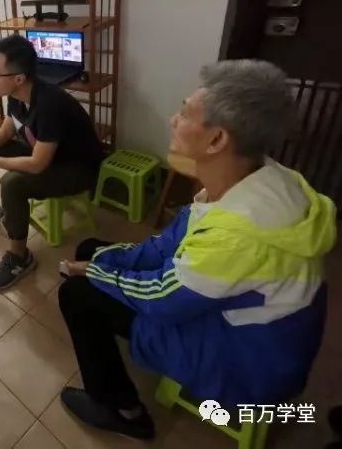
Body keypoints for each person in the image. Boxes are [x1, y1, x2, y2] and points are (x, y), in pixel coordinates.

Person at [57, 60, 335, 440]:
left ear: (216, 140)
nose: (173, 119)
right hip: (250, 321)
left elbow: (162, 299)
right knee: (93, 249)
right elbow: (168, 244)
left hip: (249, 360)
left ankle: (123, 410)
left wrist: (93, 272)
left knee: (78, 292)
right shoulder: (260, 175)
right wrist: (104, 261)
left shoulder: (238, 234)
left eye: (185, 112)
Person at [0, 34, 104, 291]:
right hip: (47, 154)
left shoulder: (49, 103)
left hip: (77, 168)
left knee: (12, 183)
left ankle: (19, 257)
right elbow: (5, 133)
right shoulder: (16, 95)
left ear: (19, 78)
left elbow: (37, 165)